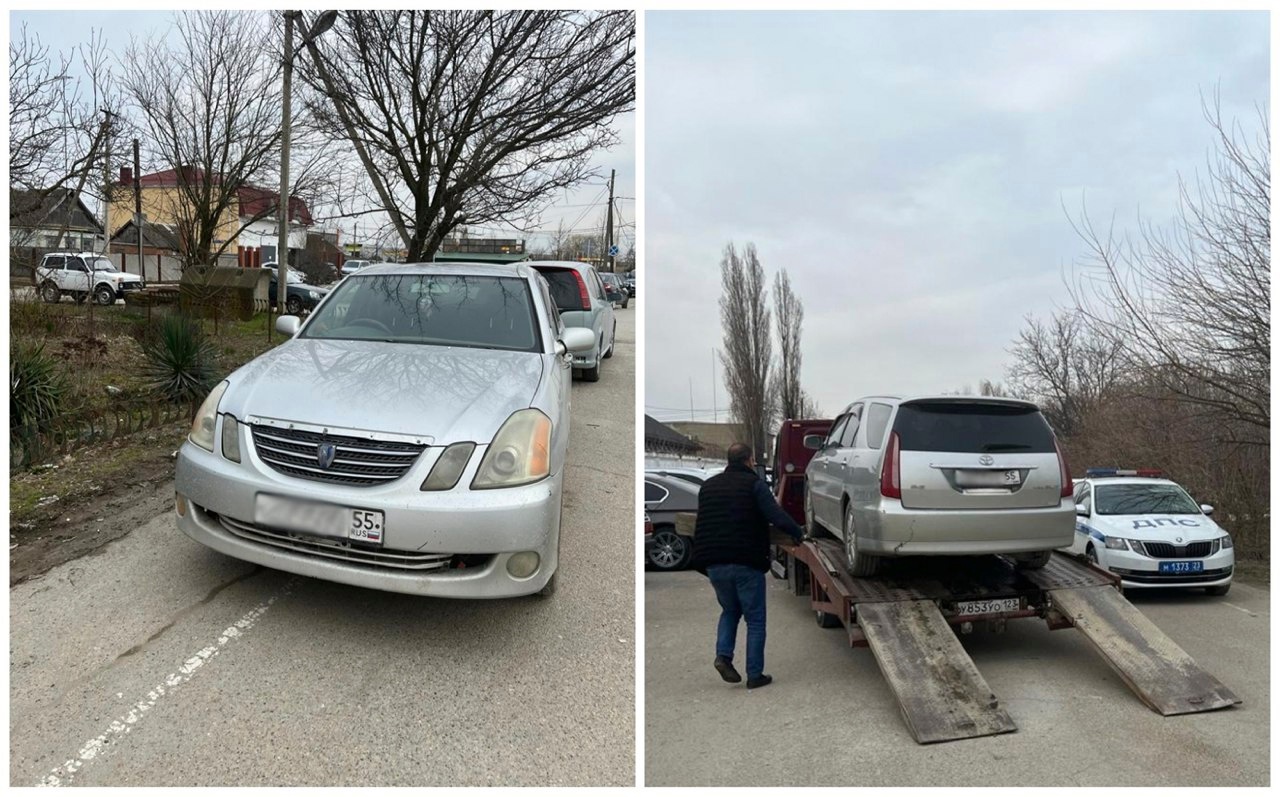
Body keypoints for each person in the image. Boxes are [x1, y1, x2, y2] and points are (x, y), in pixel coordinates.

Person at [689, 442, 805, 690]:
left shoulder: (708, 487)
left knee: (730, 610)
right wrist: (798, 533)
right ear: (749, 460)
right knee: (755, 619)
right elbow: (775, 515)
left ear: (728, 461)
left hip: (713, 564)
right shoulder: (754, 485)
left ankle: (723, 656)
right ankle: (755, 675)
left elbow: (703, 523)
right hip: (745, 562)